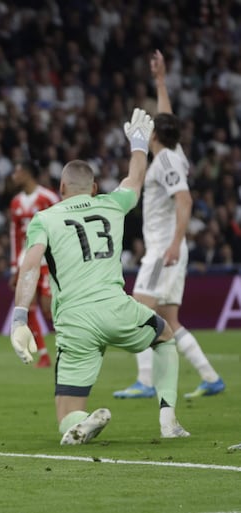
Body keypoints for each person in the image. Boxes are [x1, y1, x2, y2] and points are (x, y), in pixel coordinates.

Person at [10, 108, 190, 445]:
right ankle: (168, 418)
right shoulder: (110, 204)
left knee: (66, 414)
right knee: (164, 336)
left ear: (62, 187)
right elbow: (135, 179)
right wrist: (138, 142)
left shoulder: (44, 218)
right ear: (93, 187)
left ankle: (83, 421)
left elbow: (30, 264)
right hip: (117, 309)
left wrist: (20, 316)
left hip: (75, 322)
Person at [113, 50, 225, 400]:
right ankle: (210, 378)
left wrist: (175, 243)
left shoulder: (163, 163)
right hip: (169, 248)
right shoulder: (174, 153)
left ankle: (146, 381)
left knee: (137, 312)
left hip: (164, 250)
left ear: (156, 136)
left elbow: (185, 199)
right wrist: (160, 81)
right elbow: (167, 118)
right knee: (169, 321)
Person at [8, 160, 60, 368]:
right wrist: (14, 267)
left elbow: (60, 228)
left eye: (17, 171)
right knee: (27, 307)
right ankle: (44, 355)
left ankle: (70, 345)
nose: (14, 176)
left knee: (49, 309)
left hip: (48, 261)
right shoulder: (16, 202)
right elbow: (15, 236)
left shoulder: (48, 198)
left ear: (28, 173)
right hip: (25, 262)